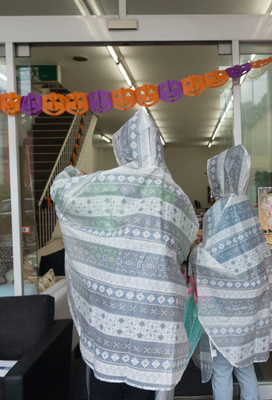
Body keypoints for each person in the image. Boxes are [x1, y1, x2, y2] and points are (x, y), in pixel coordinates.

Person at [51, 109, 199, 400]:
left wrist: (74, 174)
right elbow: (183, 245)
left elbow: (61, 191)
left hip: (110, 310)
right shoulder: (175, 194)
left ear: (123, 148)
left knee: (105, 381)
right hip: (157, 314)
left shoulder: (107, 186)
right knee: (146, 388)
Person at [189, 145, 272, 400]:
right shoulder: (248, 208)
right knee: (246, 366)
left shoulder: (217, 212)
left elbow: (208, 259)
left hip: (224, 306)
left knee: (222, 369)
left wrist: (194, 254)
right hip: (251, 305)